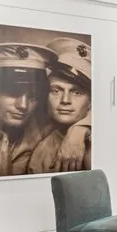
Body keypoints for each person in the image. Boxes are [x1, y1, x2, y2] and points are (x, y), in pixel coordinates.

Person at [0, 43, 55, 177]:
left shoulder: (40, 130)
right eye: (14, 92)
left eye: (33, 96)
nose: (23, 105)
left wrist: (78, 131)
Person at [28, 37, 93, 174]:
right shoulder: (40, 153)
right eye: (56, 91)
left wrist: (81, 129)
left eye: (76, 92)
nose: (65, 100)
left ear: (90, 102)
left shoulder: (108, 137)